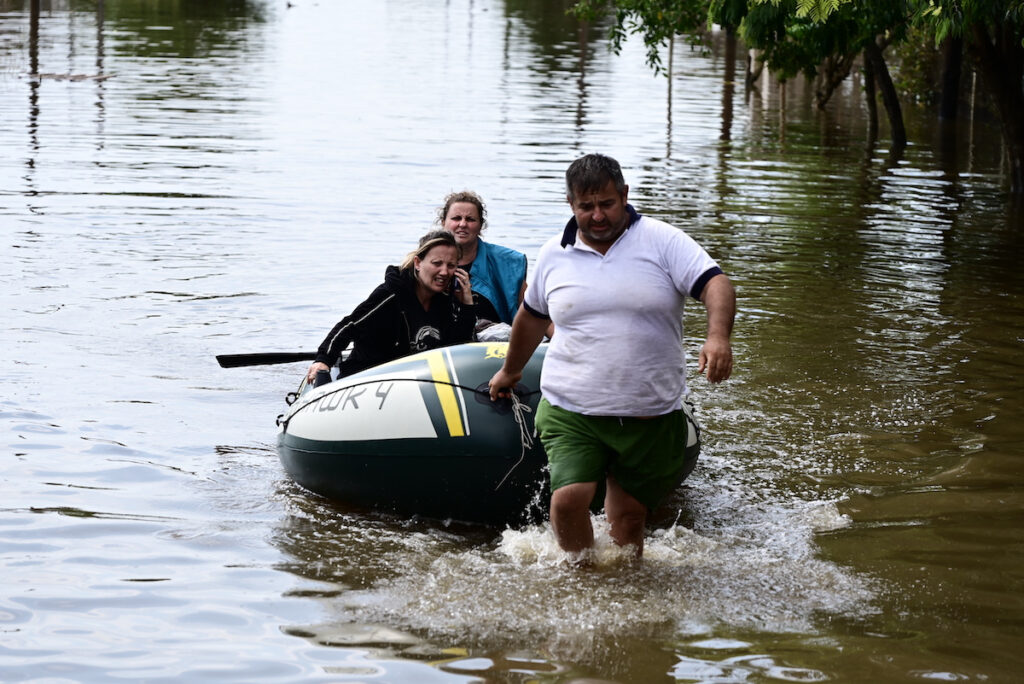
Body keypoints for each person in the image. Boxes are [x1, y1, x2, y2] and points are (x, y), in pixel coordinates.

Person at [487, 153, 736, 560]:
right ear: (571, 205)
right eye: (586, 207)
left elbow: (716, 284)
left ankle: (625, 589)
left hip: (649, 415)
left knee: (629, 521)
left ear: (624, 195)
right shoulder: (554, 253)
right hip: (572, 407)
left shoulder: (663, 241)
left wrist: (717, 338)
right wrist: (509, 371)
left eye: (606, 204)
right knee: (569, 500)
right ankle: (580, 580)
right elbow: (531, 320)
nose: (597, 215)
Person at [305, 230, 475, 384]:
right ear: (418, 263)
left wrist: (466, 304)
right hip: (367, 381)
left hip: (416, 384)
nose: (444, 272)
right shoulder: (391, 294)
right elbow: (350, 325)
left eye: (451, 265)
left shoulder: (447, 300)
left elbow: (457, 349)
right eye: (437, 263)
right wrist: (324, 360)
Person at [438, 191, 527, 330]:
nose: (462, 224)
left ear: (481, 226)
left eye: (470, 219)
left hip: (496, 344)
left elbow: (534, 312)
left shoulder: (508, 263)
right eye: (456, 218)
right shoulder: (425, 261)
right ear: (443, 223)